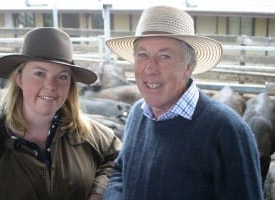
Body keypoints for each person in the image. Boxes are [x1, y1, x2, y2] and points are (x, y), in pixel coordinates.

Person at [103, 5, 263, 200]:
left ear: (188, 67)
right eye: (142, 55)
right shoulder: (138, 114)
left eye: (165, 57)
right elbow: (121, 171)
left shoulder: (227, 130)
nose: (150, 69)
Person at [0, 27, 122, 200]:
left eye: (62, 76)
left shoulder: (89, 135)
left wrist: (99, 190)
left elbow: (117, 158)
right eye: (39, 73)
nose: (51, 85)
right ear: (19, 78)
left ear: (70, 85)